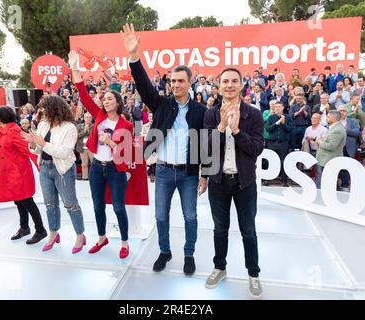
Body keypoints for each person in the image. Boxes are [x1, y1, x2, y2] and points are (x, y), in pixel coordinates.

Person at [122, 23, 208, 274]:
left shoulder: (202, 112)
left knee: (190, 217)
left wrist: (206, 175)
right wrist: (133, 56)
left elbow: (207, 142)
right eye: (172, 81)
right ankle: (164, 251)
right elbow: (143, 84)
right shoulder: (161, 105)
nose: (176, 84)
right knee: (160, 217)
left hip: (190, 174)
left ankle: (189, 254)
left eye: (181, 80)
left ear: (190, 82)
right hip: (163, 172)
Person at [203, 67, 264, 299]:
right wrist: (221, 127)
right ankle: (220, 267)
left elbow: (256, 148)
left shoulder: (254, 114)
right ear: (219, 86)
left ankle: (253, 273)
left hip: (245, 182)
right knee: (220, 229)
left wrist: (237, 131)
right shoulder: (210, 114)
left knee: (248, 230)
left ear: (241, 85)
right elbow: (206, 150)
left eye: (234, 81)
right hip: (218, 182)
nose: (229, 85)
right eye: (225, 81)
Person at [70, 50, 134, 259]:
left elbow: (125, 151)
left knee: (118, 206)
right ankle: (101, 238)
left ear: (117, 102)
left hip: (116, 169)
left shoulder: (126, 124)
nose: (105, 101)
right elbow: (82, 93)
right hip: (97, 167)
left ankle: (124, 242)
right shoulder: (98, 115)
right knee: (98, 206)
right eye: (104, 99)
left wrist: (112, 143)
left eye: (109, 99)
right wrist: (74, 67)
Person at [22, 96, 86, 254]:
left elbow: (64, 152)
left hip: (62, 169)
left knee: (70, 204)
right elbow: (38, 149)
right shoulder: (43, 125)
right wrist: (32, 142)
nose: (41, 112)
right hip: (44, 167)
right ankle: (53, 233)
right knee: (49, 204)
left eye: (44, 108)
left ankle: (80, 235)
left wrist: (43, 143)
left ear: (54, 109)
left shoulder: (69, 127)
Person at [0, 107, 47, 244]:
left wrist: (40, 167)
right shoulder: (3, 130)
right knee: (18, 200)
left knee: (27, 201)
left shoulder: (14, 131)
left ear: (0, 119)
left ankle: (40, 230)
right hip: (10, 174)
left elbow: (30, 151)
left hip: (19, 174)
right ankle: (24, 227)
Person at [315, 111, 346, 189]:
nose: (326, 118)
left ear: (334, 118)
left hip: (329, 160)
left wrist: (319, 142)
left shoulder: (337, 130)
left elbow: (331, 146)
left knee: (329, 184)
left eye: (328, 117)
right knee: (328, 183)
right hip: (327, 159)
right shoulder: (335, 127)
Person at [266, 101, 293, 186]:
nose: (277, 108)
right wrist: (277, 123)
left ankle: (284, 181)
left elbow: (290, 129)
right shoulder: (271, 118)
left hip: (283, 144)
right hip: (272, 143)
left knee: (283, 161)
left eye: (279, 107)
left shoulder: (288, 118)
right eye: (276, 107)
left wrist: (283, 123)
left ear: (283, 107)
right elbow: (267, 128)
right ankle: (267, 180)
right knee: (269, 161)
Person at [338, 105, 360, 191]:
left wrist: (345, 129)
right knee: (335, 166)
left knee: (345, 167)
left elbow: (357, 132)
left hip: (348, 148)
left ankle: (345, 185)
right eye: (340, 111)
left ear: (347, 113)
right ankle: (334, 185)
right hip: (336, 148)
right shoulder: (334, 121)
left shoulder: (353, 121)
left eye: (343, 111)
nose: (342, 112)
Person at [76, 112, 93, 180]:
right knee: (84, 164)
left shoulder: (93, 126)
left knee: (93, 163)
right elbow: (77, 136)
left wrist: (86, 131)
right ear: (84, 118)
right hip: (82, 148)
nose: (88, 119)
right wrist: (84, 131)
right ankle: (85, 177)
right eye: (87, 117)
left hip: (91, 148)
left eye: (90, 117)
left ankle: (93, 177)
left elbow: (93, 135)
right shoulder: (79, 126)